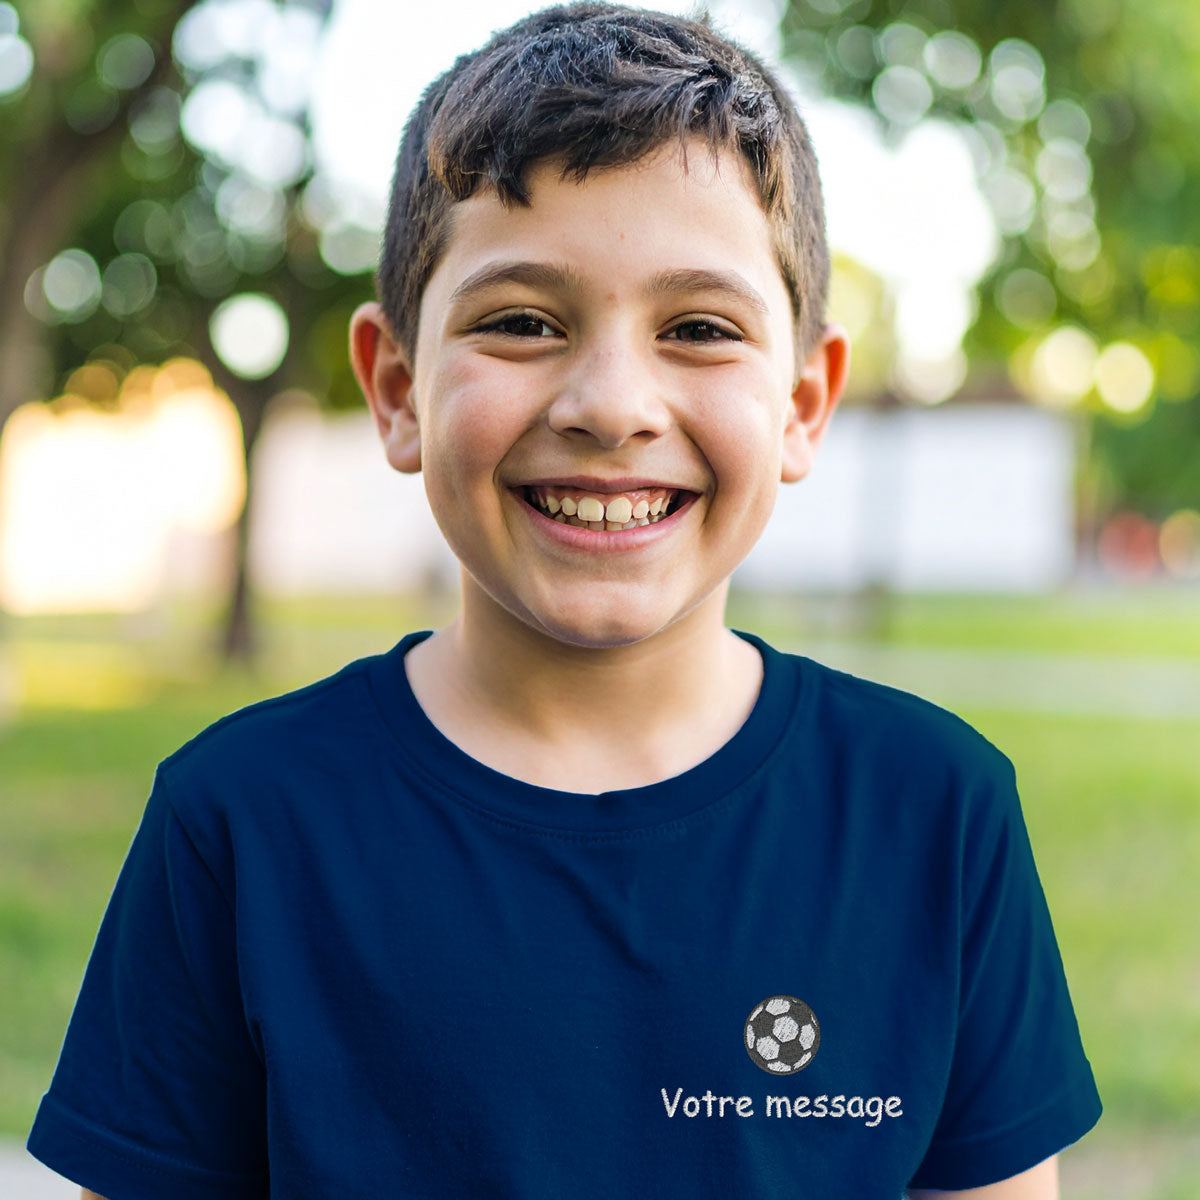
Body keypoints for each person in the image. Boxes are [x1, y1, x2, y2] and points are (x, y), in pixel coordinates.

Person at [27, 4, 1101, 1197]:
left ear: (803, 402)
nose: (610, 405)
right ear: (397, 388)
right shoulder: (237, 821)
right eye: (523, 323)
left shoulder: (936, 814)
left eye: (699, 328)